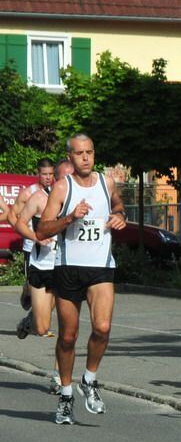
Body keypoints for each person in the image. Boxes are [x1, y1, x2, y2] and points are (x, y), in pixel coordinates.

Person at [36, 134, 127, 425]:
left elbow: (118, 204)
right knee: (68, 336)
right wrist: (70, 217)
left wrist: (119, 216)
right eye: (79, 153)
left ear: (94, 154)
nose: (85, 157)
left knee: (102, 327)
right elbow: (42, 230)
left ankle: (89, 379)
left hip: (100, 266)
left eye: (89, 152)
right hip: (68, 268)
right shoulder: (63, 187)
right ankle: (65, 395)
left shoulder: (106, 182)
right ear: (70, 157)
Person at [14, 159, 75, 396]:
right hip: (42, 266)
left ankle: (59, 378)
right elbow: (19, 222)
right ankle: (29, 322)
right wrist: (36, 237)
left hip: (66, 268)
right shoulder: (39, 198)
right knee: (42, 327)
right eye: (64, 178)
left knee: (66, 328)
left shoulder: (78, 200)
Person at [11, 158, 57, 319]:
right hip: (31, 245)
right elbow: (12, 215)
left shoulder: (57, 192)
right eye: (44, 174)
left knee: (54, 287)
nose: (48, 177)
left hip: (51, 248)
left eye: (51, 174)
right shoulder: (28, 193)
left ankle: (36, 318)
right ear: (38, 174)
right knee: (33, 285)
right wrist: (25, 231)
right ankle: (27, 289)